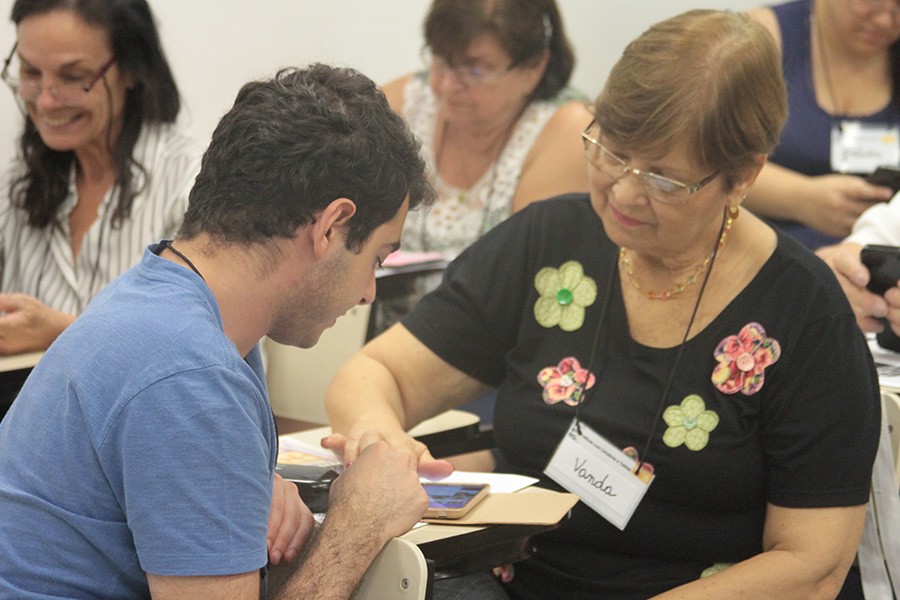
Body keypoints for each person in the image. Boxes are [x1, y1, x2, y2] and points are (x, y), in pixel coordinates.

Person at [324, 10, 881, 599]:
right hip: (514, 578)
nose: (622, 191)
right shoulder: (552, 241)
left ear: (742, 177)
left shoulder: (803, 314)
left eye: (665, 180)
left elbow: (813, 562)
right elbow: (377, 375)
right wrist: (382, 439)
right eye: (610, 152)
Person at [0, 64, 432, 599]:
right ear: (331, 226)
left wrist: (242, 483)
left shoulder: (163, 299)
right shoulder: (190, 376)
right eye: (377, 257)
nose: (369, 291)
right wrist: (358, 524)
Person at [0, 0, 205, 418]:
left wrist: (61, 330)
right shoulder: (19, 186)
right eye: (30, 74)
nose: (48, 101)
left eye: (75, 78)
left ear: (131, 69)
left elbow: (213, 355)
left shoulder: (193, 181)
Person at [373, 0, 591, 336]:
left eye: (474, 70)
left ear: (533, 68)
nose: (446, 86)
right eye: (441, 61)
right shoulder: (405, 104)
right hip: (380, 329)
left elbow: (526, 283)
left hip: (490, 343)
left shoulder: (563, 132)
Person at [744, 0, 900, 250]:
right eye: (872, 1)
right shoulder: (760, 37)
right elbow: (709, 163)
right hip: (768, 251)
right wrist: (801, 197)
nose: (885, 20)